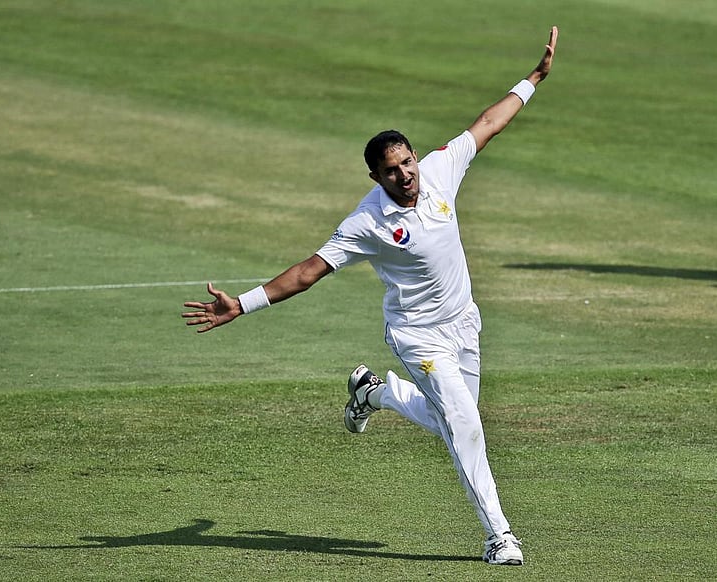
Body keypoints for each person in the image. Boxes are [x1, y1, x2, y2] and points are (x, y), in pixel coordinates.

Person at [182, 26, 558, 566]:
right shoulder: (366, 222)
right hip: (418, 336)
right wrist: (242, 303)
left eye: (407, 164)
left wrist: (533, 80)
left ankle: (374, 393)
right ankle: (500, 535)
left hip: (463, 324)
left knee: (454, 421)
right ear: (375, 176)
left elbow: (487, 124)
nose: (406, 176)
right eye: (392, 171)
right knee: (467, 427)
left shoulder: (439, 170)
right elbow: (308, 272)